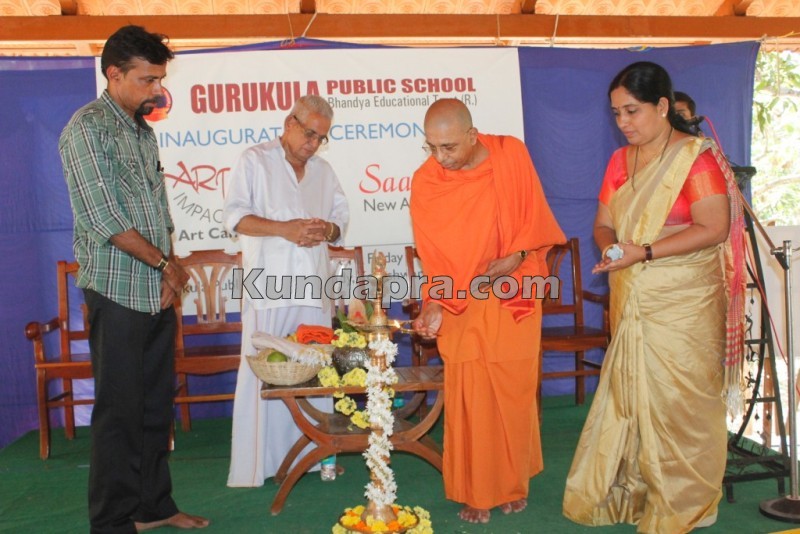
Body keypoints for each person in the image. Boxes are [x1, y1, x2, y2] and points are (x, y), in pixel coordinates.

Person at [562, 61, 745, 533]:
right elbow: (604, 222)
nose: (623, 123)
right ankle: (636, 494)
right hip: (633, 294)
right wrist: (611, 247)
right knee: (633, 399)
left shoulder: (695, 158)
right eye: (616, 113)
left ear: (663, 107)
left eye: (632, 111)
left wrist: (642, 251)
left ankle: (685, 503)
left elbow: (714, 227)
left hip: (685, 300)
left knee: (682, 403)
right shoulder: (619, 162)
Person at [59, 25, 209, 533]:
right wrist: (166, 265)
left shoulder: (141, 130)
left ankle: (154, 508)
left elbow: (156, 210)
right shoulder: (87, 128)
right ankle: (113, 521)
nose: (156, 91)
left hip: (155, 291)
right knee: (118, 414)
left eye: (160, 80)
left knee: (153, 408)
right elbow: (105, 218)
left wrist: (168, 269)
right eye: (147, 80)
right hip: (116, 293)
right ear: (114, 74)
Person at [410, 98, 565, 524]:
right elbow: (434, 256)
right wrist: (436, 304)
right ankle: (477, 491)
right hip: (463, 300)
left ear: (473, 136)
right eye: (433, 147)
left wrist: (516, 254)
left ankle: (513, 484)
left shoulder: (510, 154)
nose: (441, 157)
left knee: (512, 392)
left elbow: (534, 218)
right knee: (472, 396)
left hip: (513, 288)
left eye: (449, 147)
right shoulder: (427, 182)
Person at [223, 95, 349, 487]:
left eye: (321, 138)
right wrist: (286, 229)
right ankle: (257, 465)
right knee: (264, 374)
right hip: (267, 287)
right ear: (289, 122)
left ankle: (318, 459)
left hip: (313, 287)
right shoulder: (254, 160)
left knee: (316, 372)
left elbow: (341, 219)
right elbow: (235, 217)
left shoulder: (324, 172)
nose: (313, 143)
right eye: (309, 133)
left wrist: (326, 230)